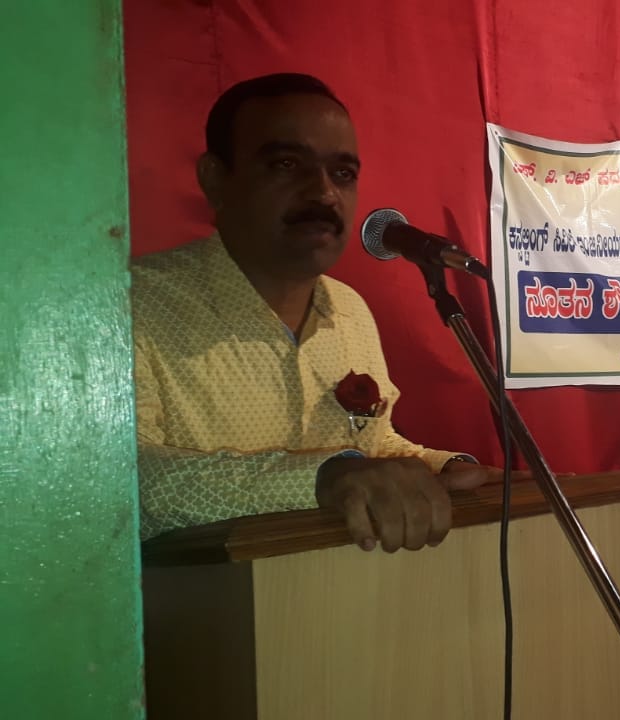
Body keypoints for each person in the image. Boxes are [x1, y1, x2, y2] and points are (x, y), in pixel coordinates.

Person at [133, 73, 493, 551]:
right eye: (287, 164)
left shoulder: (349, 311)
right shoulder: (133, 304)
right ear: (215, 179)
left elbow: (373, 445)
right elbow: (125, 480)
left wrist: (443, 468)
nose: (323, 193)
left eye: (342, 174)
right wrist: (322, 480)